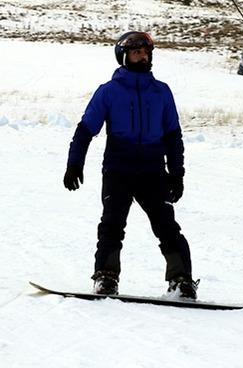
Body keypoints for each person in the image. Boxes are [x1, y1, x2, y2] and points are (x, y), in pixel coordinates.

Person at [63, 31, 197, 299]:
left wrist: (177, 174)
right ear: (123, 57)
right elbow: (85, 130)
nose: (142, 57)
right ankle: (105, 278)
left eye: (146, 52)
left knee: (167, 227)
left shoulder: (162, 92)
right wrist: (74, 164)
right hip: (118, 169)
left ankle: (181, 281)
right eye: (136, 53)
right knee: (112, 225)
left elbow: (173, 136)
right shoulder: (108, 92)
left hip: (153, 171)